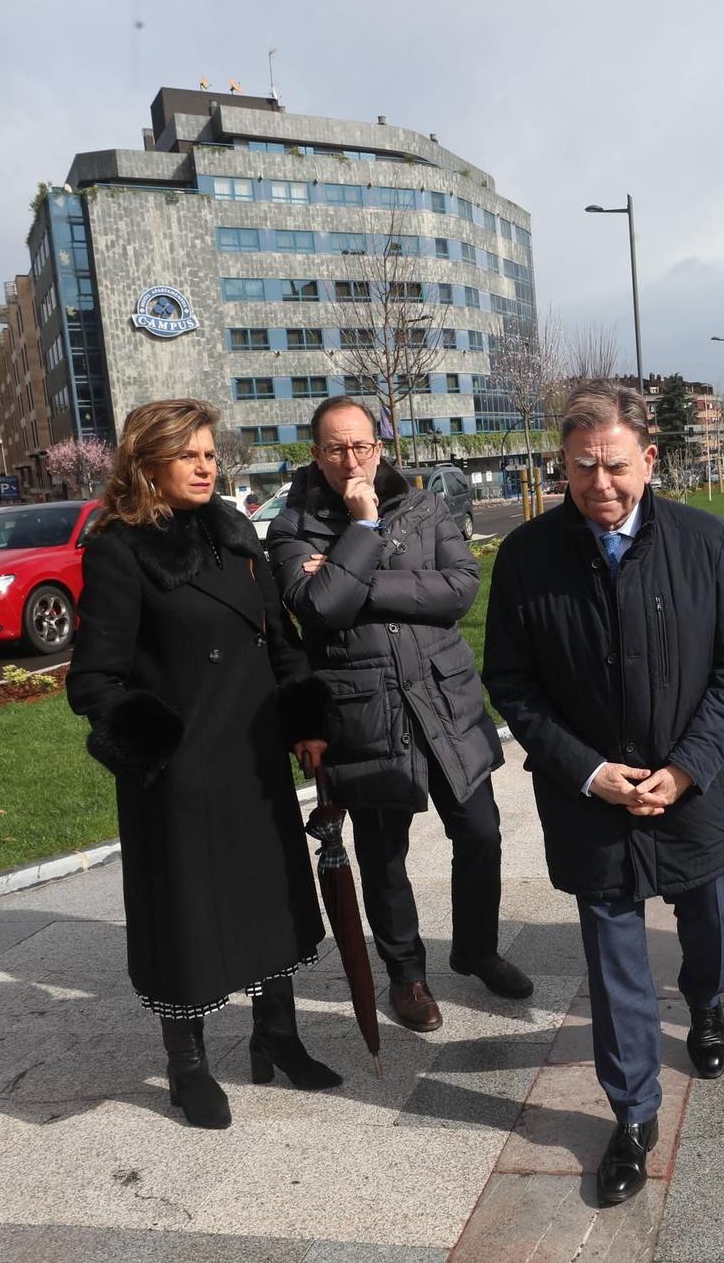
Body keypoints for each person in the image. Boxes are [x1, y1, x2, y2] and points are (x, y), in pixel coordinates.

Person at [483, 380, 724, 1207]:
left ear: (650, 458)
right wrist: (588, 770)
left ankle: (708, 1006)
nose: (600, 484)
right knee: (615, 963)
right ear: (561, 466)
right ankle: (633, 1113)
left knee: (708, 915)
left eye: (614, 466)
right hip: (589, 796)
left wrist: (685, 766)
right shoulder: (530, 557)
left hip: (692, 781)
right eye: (581, 468)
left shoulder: (706, 543)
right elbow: (513, 680)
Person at [66, 398, 338, 1130]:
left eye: (210, 452)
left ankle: (276, 1036)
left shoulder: (233, 528)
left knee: (270, 900)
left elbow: (275, 636)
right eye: (188, 453)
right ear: (146, 460)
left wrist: (306, 721)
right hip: (181, 779)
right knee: (184, 920)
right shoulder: (120, 549)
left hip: (253, 759)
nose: (206, 464)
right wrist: (160, 758)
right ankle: (188, 1066)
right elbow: (95, 679)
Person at [267, 397, 531, 1032]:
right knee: (384, 856)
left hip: (443, 699)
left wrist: (353, 578)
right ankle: (406, 977)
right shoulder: (290, 526)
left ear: (381, 445)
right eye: (336, 448)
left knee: (480, 833)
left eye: (361, 445)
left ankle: (476, 950)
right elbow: (321, 610)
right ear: (316, 454)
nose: (351, 458)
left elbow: (461, 587)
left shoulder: (422, 505)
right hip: (365, 713)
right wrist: (359, 528)